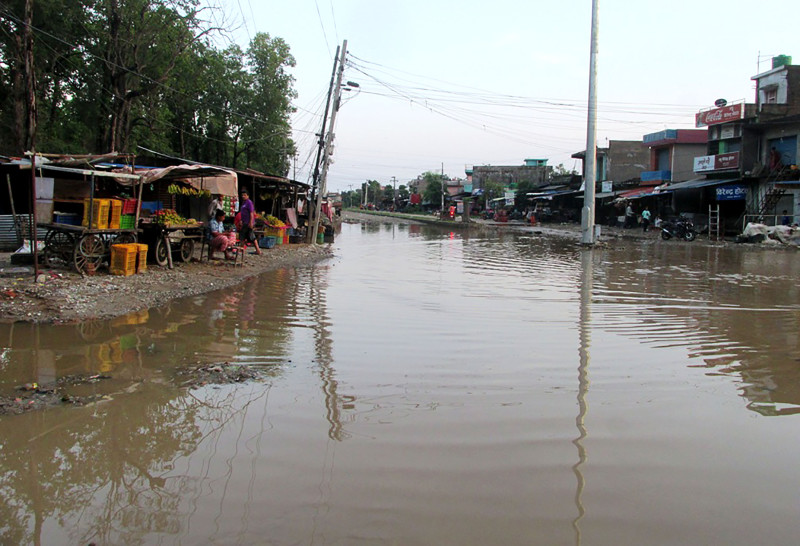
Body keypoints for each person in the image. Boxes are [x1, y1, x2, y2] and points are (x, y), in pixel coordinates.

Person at [238, 190, 261, 255]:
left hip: (248, 222)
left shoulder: (249, 203)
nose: (243, 196)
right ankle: (242, 249)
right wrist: (241, 220)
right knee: (244, 235)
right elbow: (242, 213)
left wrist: (251, 222)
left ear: (248, 196)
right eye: (242, 195)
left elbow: (251, 213)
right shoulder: (243, 203)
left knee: (249, 236)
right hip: (244, 222)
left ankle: (257, 250)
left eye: (245, 195)